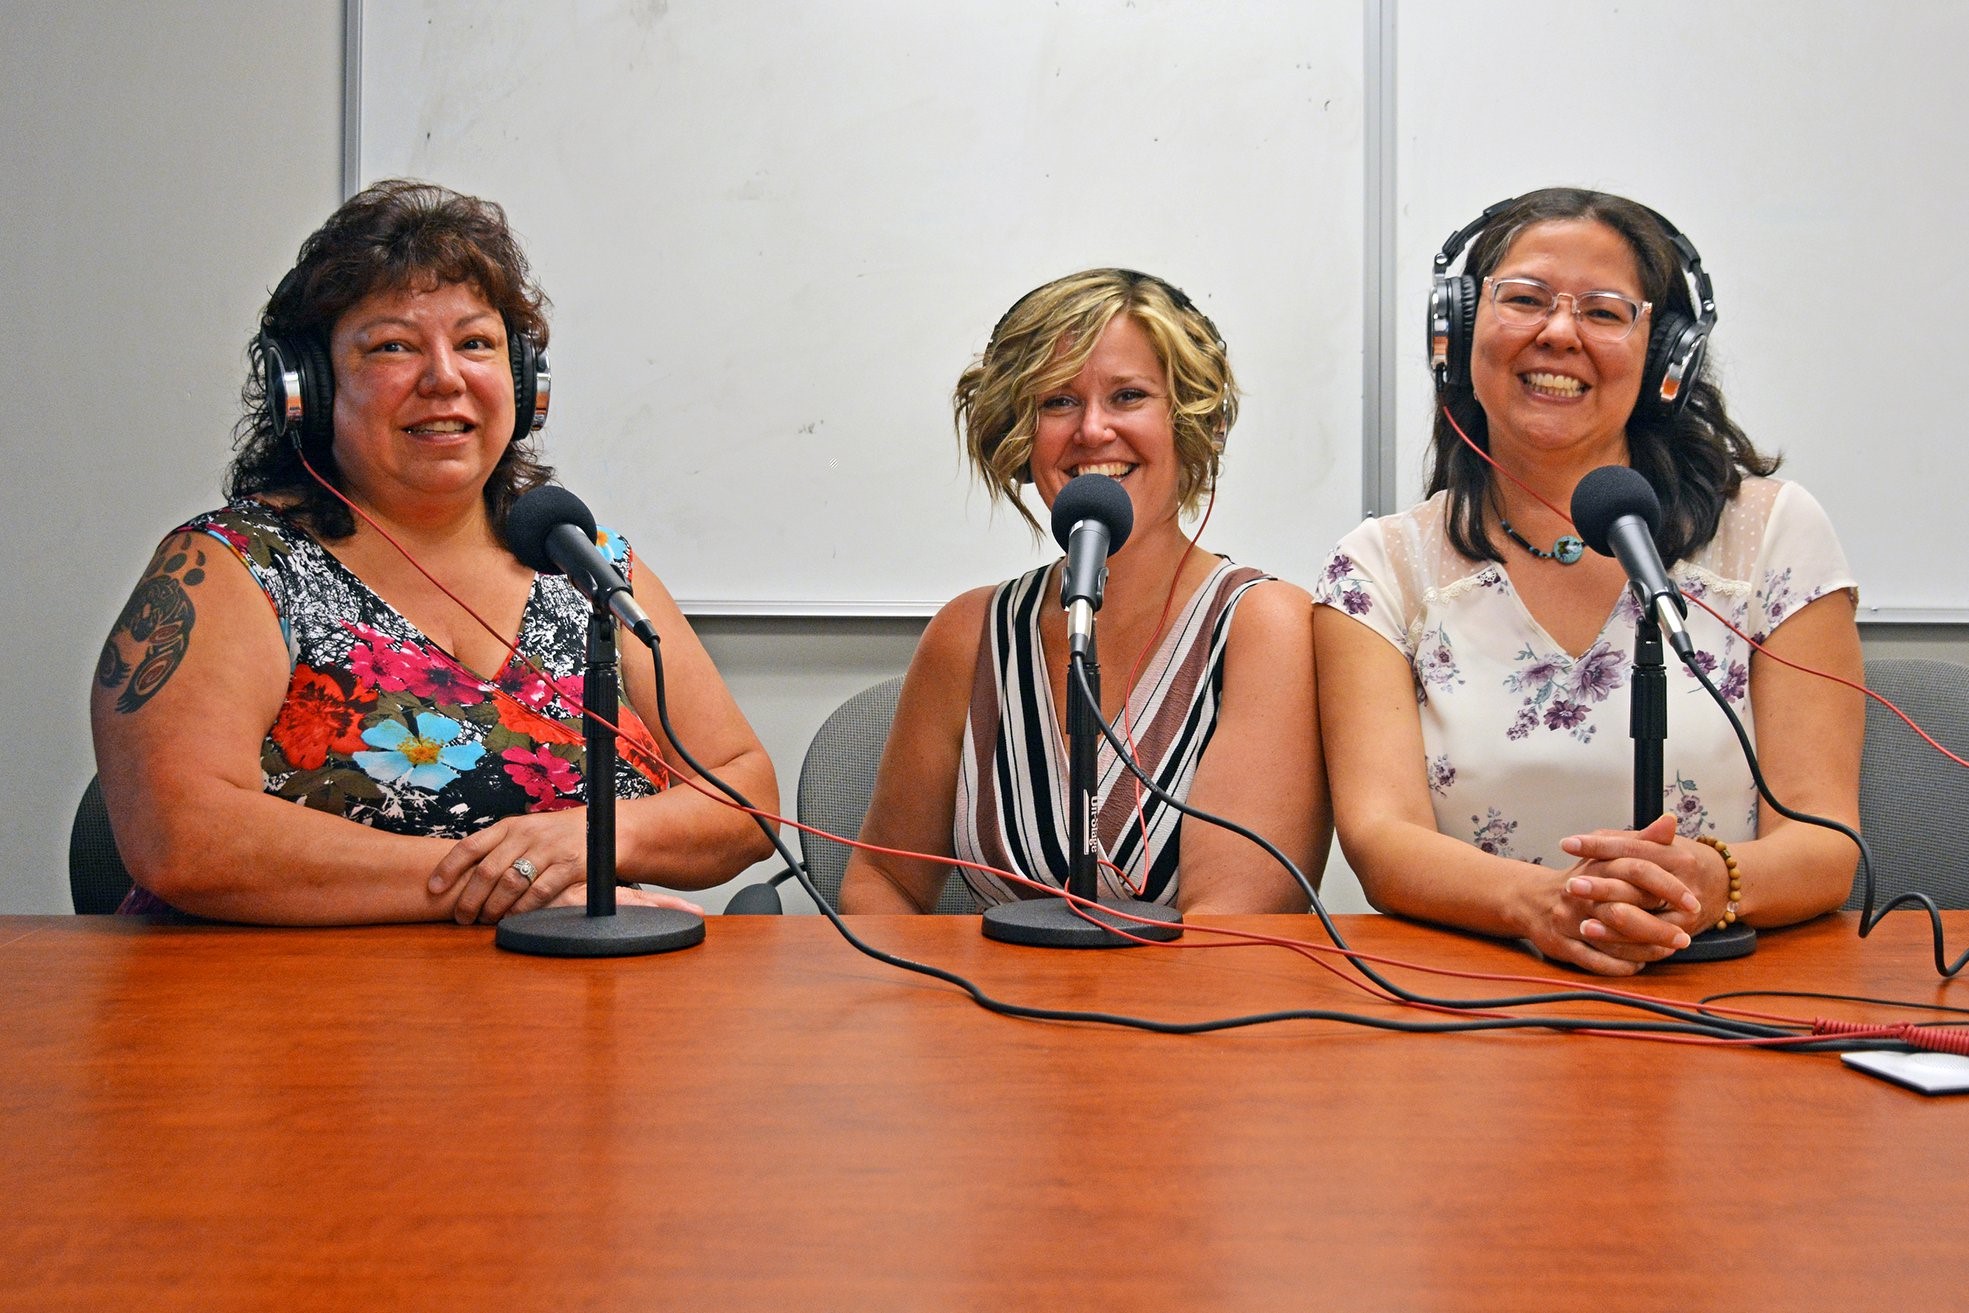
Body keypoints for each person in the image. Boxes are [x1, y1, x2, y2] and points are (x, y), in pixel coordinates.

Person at [91, 179, 777, 925]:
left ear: (521, 383)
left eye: (476, 344)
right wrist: (510, 885)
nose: (443, 377)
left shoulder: (586, 565)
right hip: (279, 1020)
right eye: (394, 346)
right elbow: (180, 837)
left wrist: (582, 843)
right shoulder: (229, 568)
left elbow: (745, 796)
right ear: (308, 389)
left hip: (564, 1016)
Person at [1312, 188, 1861, 975]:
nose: (1559, 333)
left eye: (1604, 312)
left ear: (1666, 355)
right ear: (1458, 331)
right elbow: (1379, 837)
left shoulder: (1770, 538)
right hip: (1475, 1003)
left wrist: (1713, 882)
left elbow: (1823, 839)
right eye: (1525, 299)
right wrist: (1540, 905)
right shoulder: (1378, 568)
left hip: (1724, 993)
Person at [840, 269, 1328, 914]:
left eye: (1128, 396)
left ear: (1192, 421)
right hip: (986, 1009)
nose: (1093, 430)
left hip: (1187, 1009)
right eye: (1057, 402)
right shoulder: (971, 632)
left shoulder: (1264, 626)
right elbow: (884, 881)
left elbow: (1231, 930)